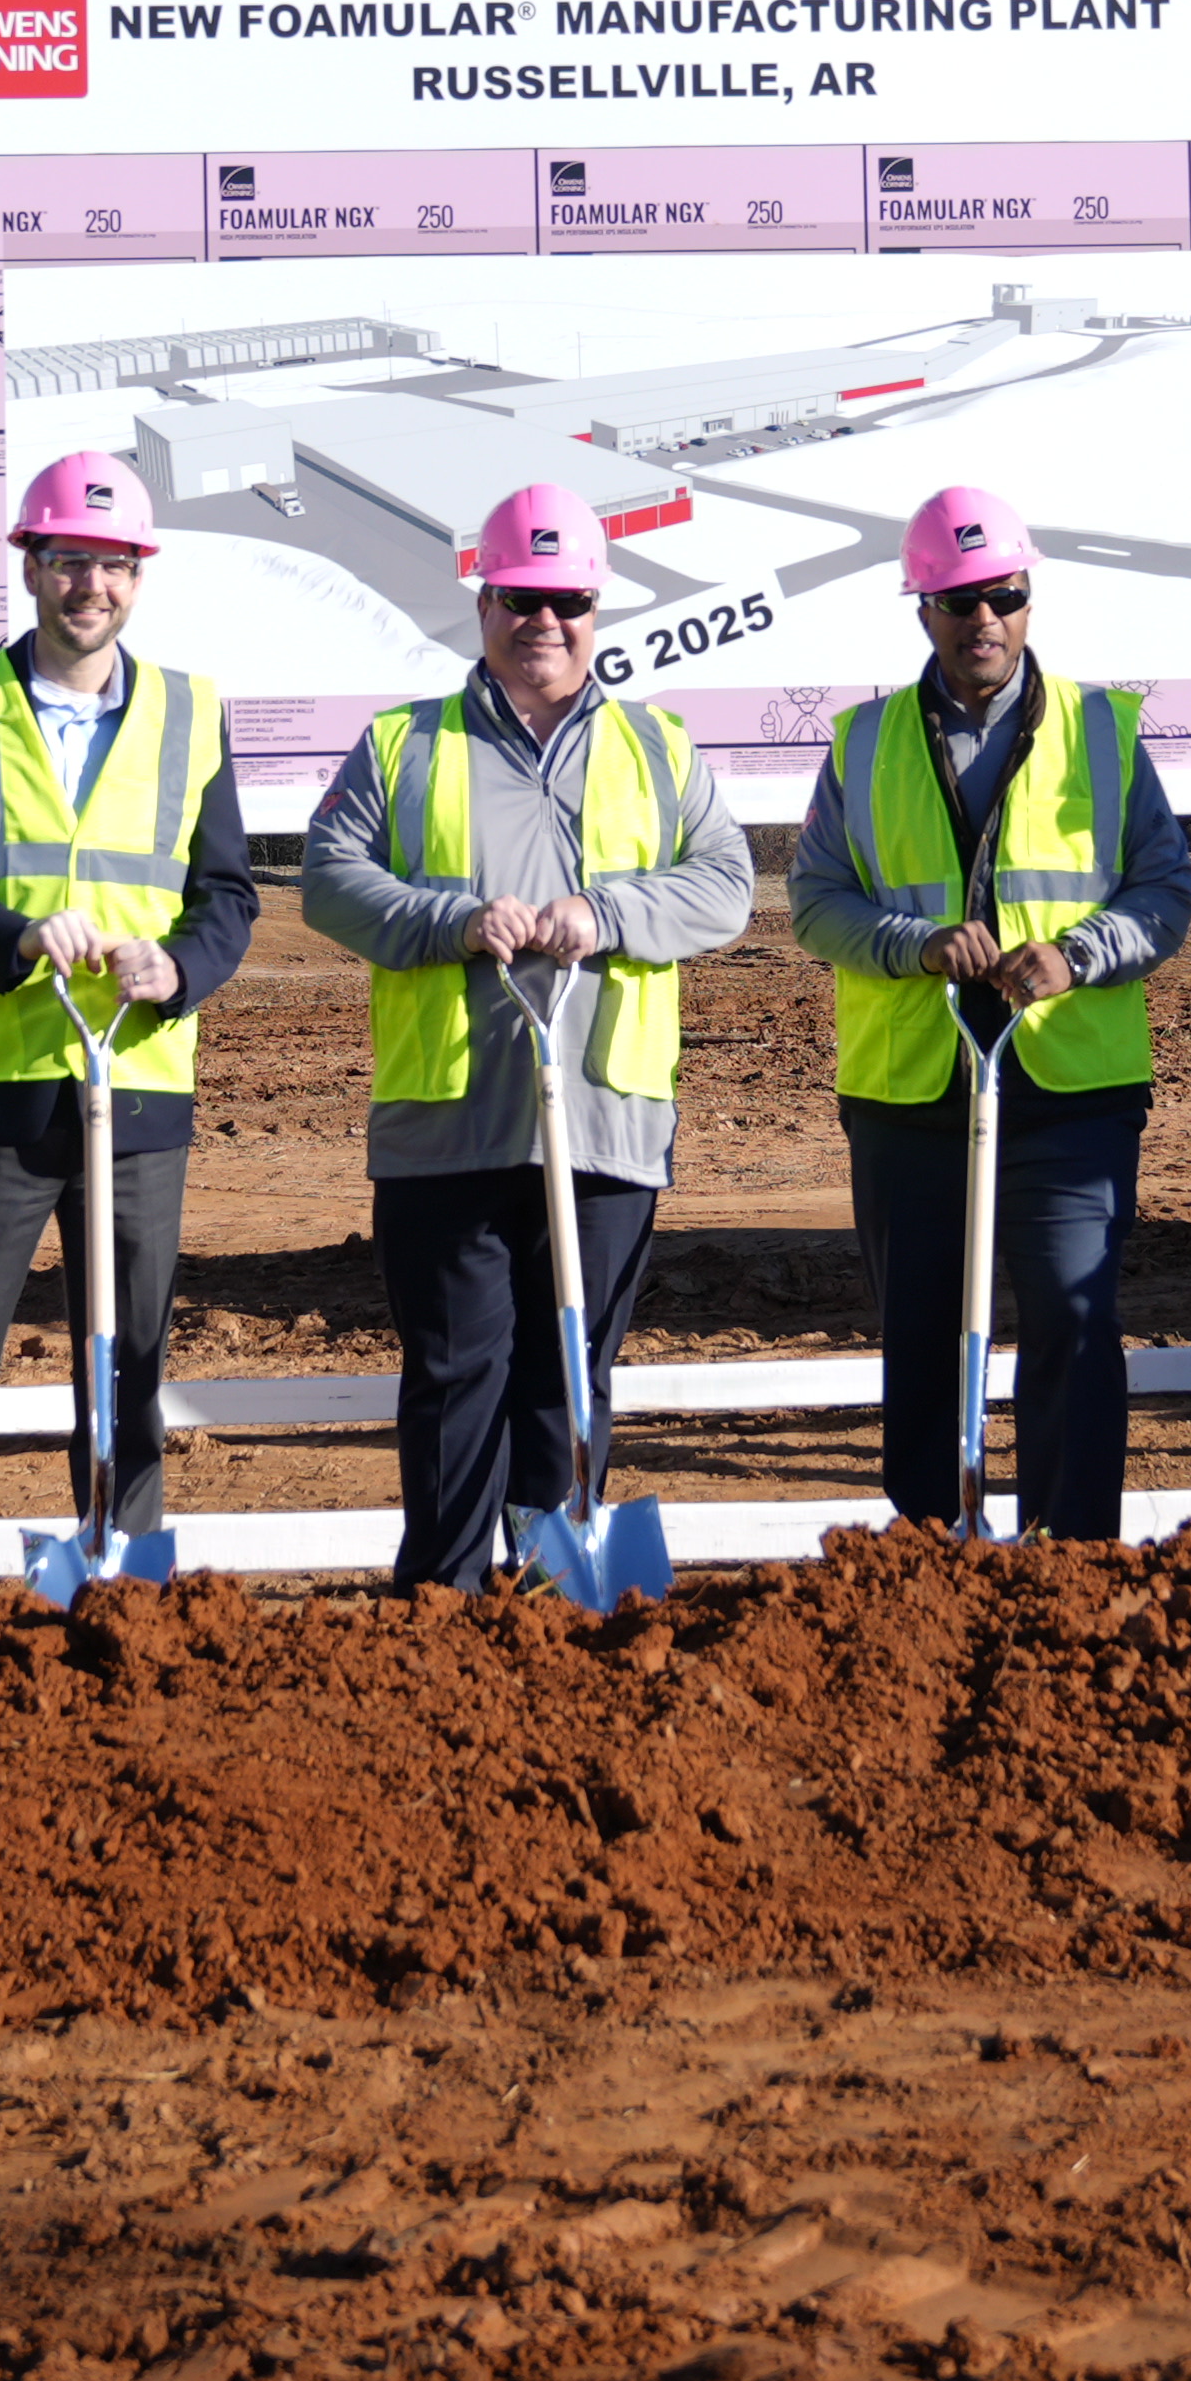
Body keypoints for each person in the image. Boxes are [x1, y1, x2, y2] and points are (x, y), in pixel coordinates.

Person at [296, 481, 750, 1590]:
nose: (542, 621)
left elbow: (726, 886)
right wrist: (451, 921)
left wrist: (609, 914)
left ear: (595, 608)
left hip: (606, 1125)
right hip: (449, 1126)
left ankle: (555, 1594)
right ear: (483, 601)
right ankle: (443, 1606)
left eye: (566, 601)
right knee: (455, 1376)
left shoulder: (657, 747)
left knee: (568, 1378)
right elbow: (328, 880)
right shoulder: (405, 745)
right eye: (519, 599)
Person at [0, 450, 258, 1616]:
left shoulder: (191, 711)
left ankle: (120, 1588)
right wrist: (13, 937)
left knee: (126, 1366)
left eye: (114, 562)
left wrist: (176, 966)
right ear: (29, 564)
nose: (93, 583)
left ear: (140, 575)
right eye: (70, 559)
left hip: (136, 1091)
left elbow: (227, 895)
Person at [796, 483, 1191, 1539]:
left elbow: (1166, 891)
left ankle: (1073, 1559)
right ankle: (932, 1554)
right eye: (960, 598)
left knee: (1074, 1318)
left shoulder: (1103, 732)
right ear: (920, 607)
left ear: (1030, 599)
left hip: (1070, 1089)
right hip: (910, 1090)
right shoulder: (864, 742)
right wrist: (912, 945)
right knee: (921, 1337)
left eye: (1005, 596)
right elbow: (816, 901)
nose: (986, 619)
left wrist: (1080, 954)